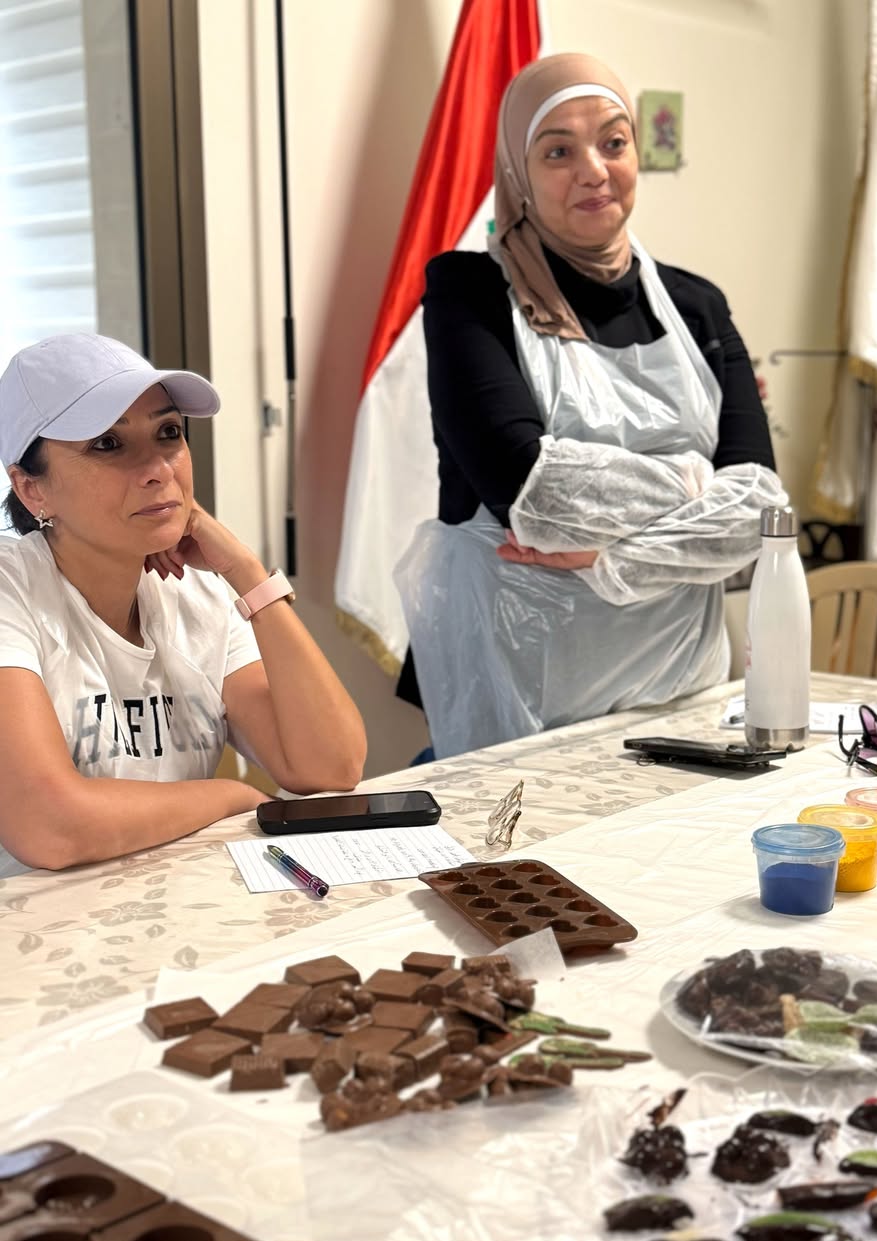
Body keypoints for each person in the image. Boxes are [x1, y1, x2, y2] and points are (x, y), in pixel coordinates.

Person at [395, 53, 787, 758]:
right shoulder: (468, 294)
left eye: (613, 142)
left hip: (681, 695)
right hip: (517, 698)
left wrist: (613, 562)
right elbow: (535, 496)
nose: (594, 170)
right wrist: (696, 481)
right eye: (558, 152)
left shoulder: (697, 304)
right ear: (517, 171)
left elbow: (759, 512)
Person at [0, 333, 366, 872]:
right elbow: (49, 827)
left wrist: (247, 574)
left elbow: (330, 766)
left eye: (168, 432)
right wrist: (231, 797)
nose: (159, 469)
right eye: (108, 443)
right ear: (33, 490)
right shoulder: (11, 590)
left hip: (179, 900)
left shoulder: (198, 593)